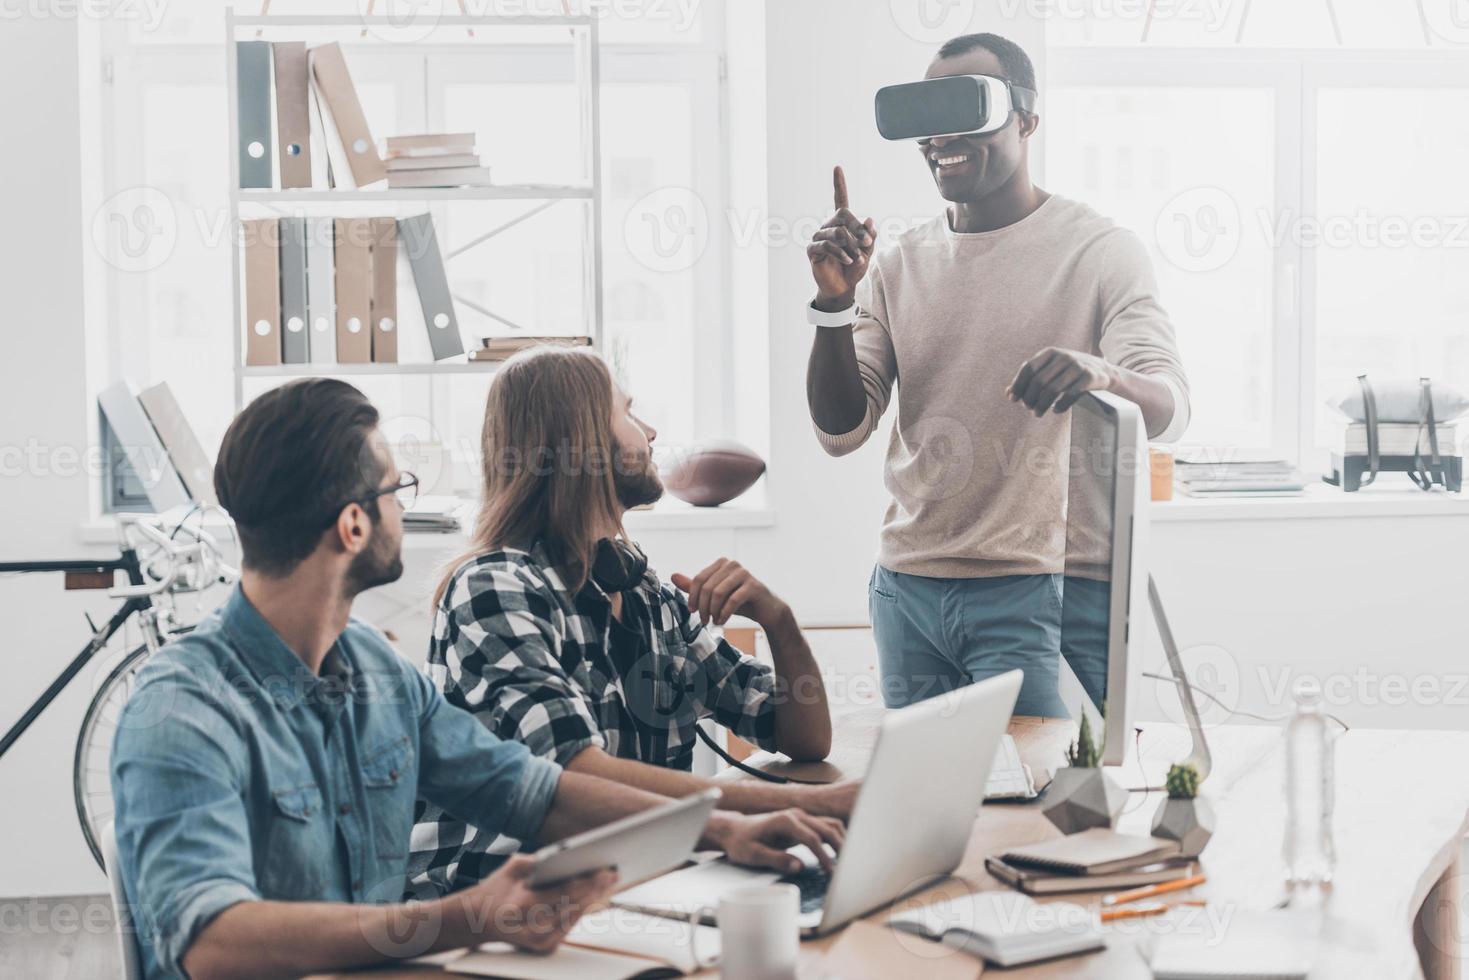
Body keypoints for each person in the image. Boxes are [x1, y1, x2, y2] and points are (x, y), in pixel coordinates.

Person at [110, 378, 844, 980]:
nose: (408, 503)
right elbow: (212, 943)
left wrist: (723, 827)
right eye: (398, 488)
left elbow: (531, 789)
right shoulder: (183, 707)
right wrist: (467, 917)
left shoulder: (378, 676)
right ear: (354, 527)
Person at [804, 32, 1190, 716]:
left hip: (1041, 589)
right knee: (932, 810)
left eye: (966, 109)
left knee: (1050, 810)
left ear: (1026, 118)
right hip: (906, 589)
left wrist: (1100, 374)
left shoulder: (1099, 252)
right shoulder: (896, 265)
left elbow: (1169, 410)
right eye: (926, 116)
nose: (939, 137)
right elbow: (841, 430)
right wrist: (834, 305)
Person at [408, 347, 854, 898]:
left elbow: (804, 738)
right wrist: (806, 803)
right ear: (583, 440)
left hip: (634, 889)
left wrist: (779, 622)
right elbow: (574, 775)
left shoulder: (642, 593)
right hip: (500, 913)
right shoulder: (495, 586)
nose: (650, 431)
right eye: (628, 414)